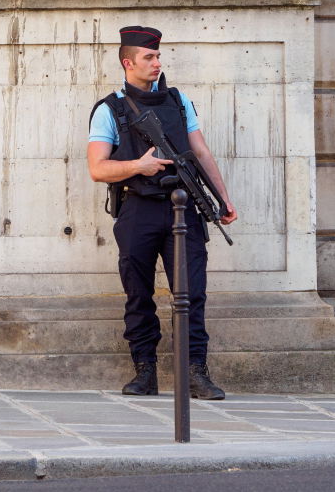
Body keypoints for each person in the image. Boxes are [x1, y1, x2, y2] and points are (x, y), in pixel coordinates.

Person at [87, 26, 238, 399]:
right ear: (128, 62)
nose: (157, 63)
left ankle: (196, 373)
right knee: (138, 294)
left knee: (192, 294)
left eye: (158, 57)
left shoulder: (179, 101)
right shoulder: (110, 109)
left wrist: (222, 199)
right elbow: (97, 168)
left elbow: (200, 152)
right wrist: (138, 166)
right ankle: (145, 372)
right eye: (149, 57)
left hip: (184, 209)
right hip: (137, 209)